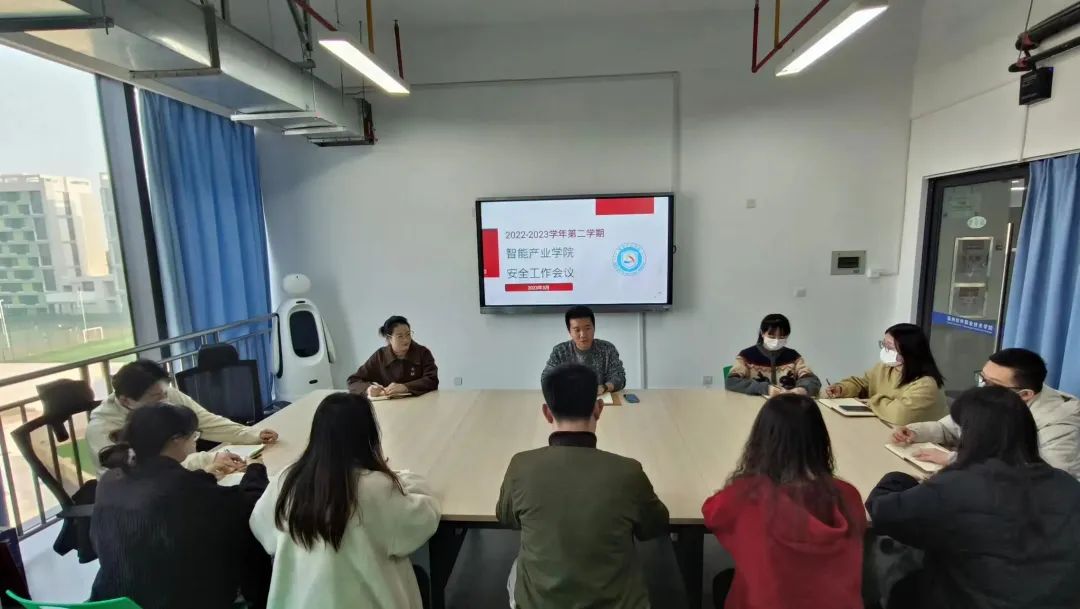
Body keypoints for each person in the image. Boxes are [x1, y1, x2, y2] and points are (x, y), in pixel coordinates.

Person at [867, 386, 1080, 609]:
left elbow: (881, 511)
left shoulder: (957, 486)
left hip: (971, 600)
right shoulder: (1066, 484)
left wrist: (899, 479)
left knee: (900, 578)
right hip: (1054, 599)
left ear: (972, 435)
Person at [498, 363, 669, 609]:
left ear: (547, 413)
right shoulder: (628, 472)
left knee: (518, 567)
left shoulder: (521, 466)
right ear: (599, 408)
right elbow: (654, 526)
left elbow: (506, 518)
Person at [250, 392, 440, 609]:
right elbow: (423, 522)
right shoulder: (375, 487)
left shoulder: (286, 480)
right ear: (367, 436)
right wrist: (405, 479)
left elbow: (261, 528)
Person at [90, 403, 270, 609]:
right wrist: (256, 470)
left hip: (116, 598)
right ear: (176, 439)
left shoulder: (111, 478)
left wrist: (206, 475)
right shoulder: (181, 488)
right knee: (249, 542)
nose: (195, 441)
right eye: (193, 436)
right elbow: (248, 507)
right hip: (172, 601)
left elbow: (167, 490)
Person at [702, 394, 866, 609]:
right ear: (821, 439)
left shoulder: (745, 497)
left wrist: (737, 486)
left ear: (762, 441)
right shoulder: (848, 497)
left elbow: (712, 513)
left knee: (726, 581)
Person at [891, 348, 1080, 476]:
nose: (982, 388)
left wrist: (954, 459)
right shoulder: (994, 400)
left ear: (1024, 394)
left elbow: (1046, 478)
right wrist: (915, 432)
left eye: (991, 384)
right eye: (982, 378)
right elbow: (949, 428)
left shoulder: (1059, 423)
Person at [86, 359, 277, 474]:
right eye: (155, 396)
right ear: (127, 401)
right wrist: (207, 460)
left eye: (165, 392)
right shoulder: (102, 429)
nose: (165, 400)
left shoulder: (164, 394)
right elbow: (147, 473)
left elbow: (205, 421)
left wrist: (252, 434)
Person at [824, 323, 946, 425]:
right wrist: (842, 389)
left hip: (922, 441)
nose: (885, 350)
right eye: (883, 344)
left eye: (890, 347)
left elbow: (900, 415)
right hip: (885, 427)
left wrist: (872, 401)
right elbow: (862, 383)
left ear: (908, 351)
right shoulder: (885, 367)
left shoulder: (926, 384)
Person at [726, 313, 822, 397]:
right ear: (762, 333)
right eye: (771, 336)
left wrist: (802, 389)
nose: (776, 341)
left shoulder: (794, 357)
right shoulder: (747, 356)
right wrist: (764, 388)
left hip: (788, 405)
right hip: (754, 405)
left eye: (782, 337)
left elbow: (812, 380)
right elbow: (731, 381)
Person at [347, 315, 439, 398]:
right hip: (390, 405)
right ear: (389, 338)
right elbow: (353, 380)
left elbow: (432, 379)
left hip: (420, 403)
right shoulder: (380, 356)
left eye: (408, 334)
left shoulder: (422, 352)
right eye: (400, 336)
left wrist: (406, 387)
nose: (406, 340)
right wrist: (368, 389)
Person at [542, 306, 626, 396]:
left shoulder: (607, 349)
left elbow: (620, 377)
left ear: (594, 328)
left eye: (587, 328)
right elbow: (546, 379)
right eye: (577, 330)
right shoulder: (560, 351)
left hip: (600, 400)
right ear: (569, 331)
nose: (583, 335)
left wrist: (604, 387)